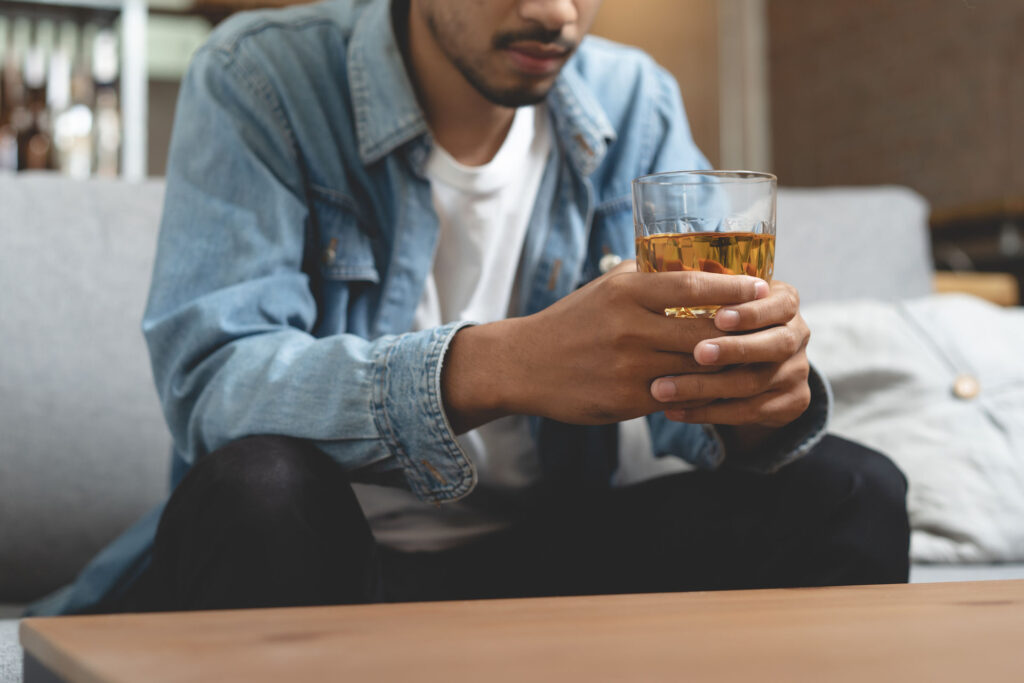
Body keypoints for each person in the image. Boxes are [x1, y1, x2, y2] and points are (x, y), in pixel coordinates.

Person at [30, 0, 909, 616]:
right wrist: (498, 363)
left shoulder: (633, 101)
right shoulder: (264, 78)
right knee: (263, 488)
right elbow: (212, 383)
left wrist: (754, 393)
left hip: (539, 559)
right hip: (314, 553)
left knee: (853, 488)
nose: (557, 12)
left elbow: (689, 394)